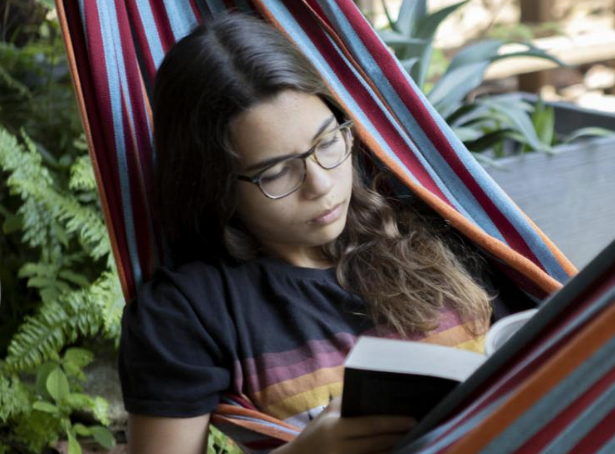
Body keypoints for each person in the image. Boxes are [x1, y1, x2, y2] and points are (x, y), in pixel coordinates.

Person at [118, 10, 535, 454]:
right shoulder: (189, 312)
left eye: (327, 142)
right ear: (214, 185)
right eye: (276, 172)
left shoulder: (436, 223)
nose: (320, 184)